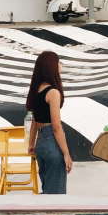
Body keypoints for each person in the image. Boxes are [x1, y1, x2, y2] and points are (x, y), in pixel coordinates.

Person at [26, 51, 72, 194]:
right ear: (51, 66)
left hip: (40, 144)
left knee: (47, 189)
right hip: (51, 142)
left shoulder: (36, 90)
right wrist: (66, 153)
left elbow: (34, 121)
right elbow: (56, 127)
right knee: (56, 195)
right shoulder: (53, 93)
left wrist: (31, 144)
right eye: (58, 62)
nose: (60, 65)